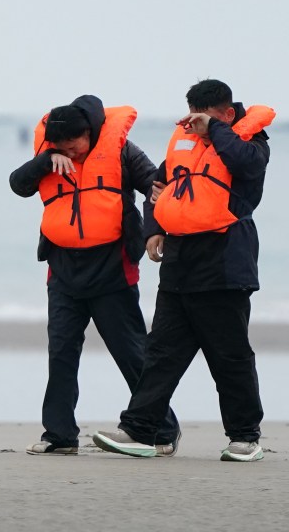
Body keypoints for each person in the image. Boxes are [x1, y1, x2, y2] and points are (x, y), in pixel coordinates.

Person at [93, 79, 274, 462]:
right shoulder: (185, 146)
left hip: (225, 265)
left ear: (227, 114)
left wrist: (216, 130)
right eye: (192, 115)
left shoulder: (251, 145)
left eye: (203, 117)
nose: (194, 124)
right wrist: (153, 231)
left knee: (229, 357)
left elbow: (245, 164)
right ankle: (140, 431)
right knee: (160, 353)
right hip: (179, 263)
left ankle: (245, 438)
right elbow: (157, 188)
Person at [9, 95, 180, 456]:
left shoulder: (121, 151)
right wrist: (44, 160)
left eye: (74, 146)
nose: (69, 153)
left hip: (112, 271)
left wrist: (155, 230)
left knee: (132, 353)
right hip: (63, 272)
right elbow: (18, 184)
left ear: (89, 133)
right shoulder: (51, 155)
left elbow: (156, 188)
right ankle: (59, 435)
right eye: (62, 147)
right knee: (61, 354)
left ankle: (163, 430)